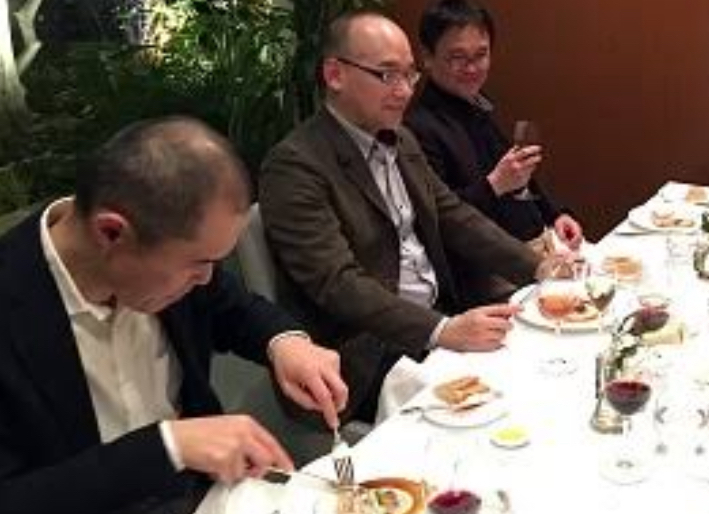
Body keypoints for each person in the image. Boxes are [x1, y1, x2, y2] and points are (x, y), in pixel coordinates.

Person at [0, 116, 348, 514]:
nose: (207, 278)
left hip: (204, 497)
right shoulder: (13, 303)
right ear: (111, 233)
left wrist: (284, 343)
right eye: (199, 263)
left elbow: (233, 307)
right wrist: (167, 447)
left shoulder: (169, 258)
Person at [260, 11, 560, 423]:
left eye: (409, 75)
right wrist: (442, 330)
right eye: (387, 75)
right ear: (335, 74)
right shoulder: (296, 166)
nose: (403, 90)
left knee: (543, 359)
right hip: (365, 352)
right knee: (500, 410)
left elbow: (454, 215)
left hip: (439, 314)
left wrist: (538, 265)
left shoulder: (401, 139)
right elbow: (338, 283)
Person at [405, 0, 584, 256]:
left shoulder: (476, 104)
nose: (472, 68)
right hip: (493, 263)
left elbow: (519, 176)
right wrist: (495, 185)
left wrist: (556, 215)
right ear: (427, 57)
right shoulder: (418, 128)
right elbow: (438, 220)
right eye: (458, 57)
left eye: (481, 55)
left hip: (538, 241)